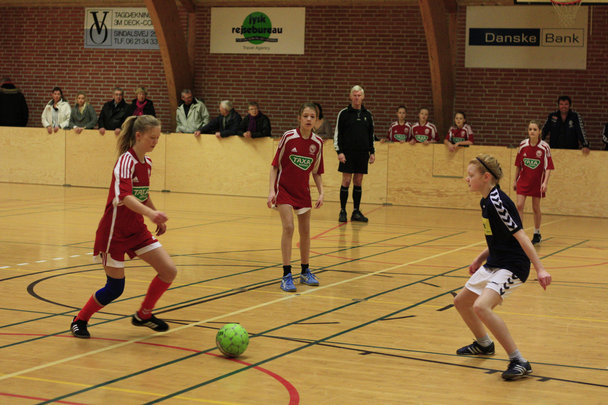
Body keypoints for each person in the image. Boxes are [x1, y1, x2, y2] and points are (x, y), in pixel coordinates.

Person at [70, 115, 177, 338]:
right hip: (114, 233)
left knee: (169, 271)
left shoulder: (147, 163)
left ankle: (143, 315)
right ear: (138, 136)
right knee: (115, 288)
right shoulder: (125, 161)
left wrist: (155, 215)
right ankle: (80, 319)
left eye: (158, 138)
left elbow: (142, 195)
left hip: (136, 229)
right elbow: (125, 197)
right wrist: (151, 214)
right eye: (152, 138)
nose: (155, 142)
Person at [454, 153, 552, 381]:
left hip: (512, 266)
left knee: (481, 307)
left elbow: (521, 236)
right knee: (461, 302)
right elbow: (498, 239)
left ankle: (519, 361)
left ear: (486, 177)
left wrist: (540, 269)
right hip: (495, 262)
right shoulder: (486, 201)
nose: (467, 179)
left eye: (471, 175)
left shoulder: (498, 201)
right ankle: (484, 344)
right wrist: (479, 259)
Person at [268, 102, 324, 292]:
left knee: (305, 231)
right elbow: (274, 165)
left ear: (316, 121)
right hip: (284, 189)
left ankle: (305, 271)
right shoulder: (288, 137)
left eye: (312, 117)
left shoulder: (317, 143)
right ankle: (286, 275)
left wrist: (321, 192)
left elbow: (316, 172)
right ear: (299, 118)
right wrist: (271, 191)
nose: (309, 119)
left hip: (303, 191)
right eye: (305, 116)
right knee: (289, 227)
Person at [334, 85, 375, 223]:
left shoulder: (368, 115)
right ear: (350, 97)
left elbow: (371, 135)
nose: (357, 98)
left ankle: (356, 212)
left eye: (359, 95)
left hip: (362, 154)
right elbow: (338, 134)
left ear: (363, 97)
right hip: (347, 153)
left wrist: (372, 152)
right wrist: (339, 152)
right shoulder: (343, 113)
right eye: (355, 95)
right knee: (346, 181)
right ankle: (343, 211)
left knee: (358, 181)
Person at [513, 121, 554, 245]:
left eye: (535, 129)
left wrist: (545, 183)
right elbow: (518, 165)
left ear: (539, 131)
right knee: (519, 205)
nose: (532, 131)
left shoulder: (544, 147)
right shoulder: (523, 145)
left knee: (535, 208)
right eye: (530, 129)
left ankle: (537, 233)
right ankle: (520, 233)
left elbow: (548, 167)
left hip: (537, 182)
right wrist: (515, 180)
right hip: (523, 180)